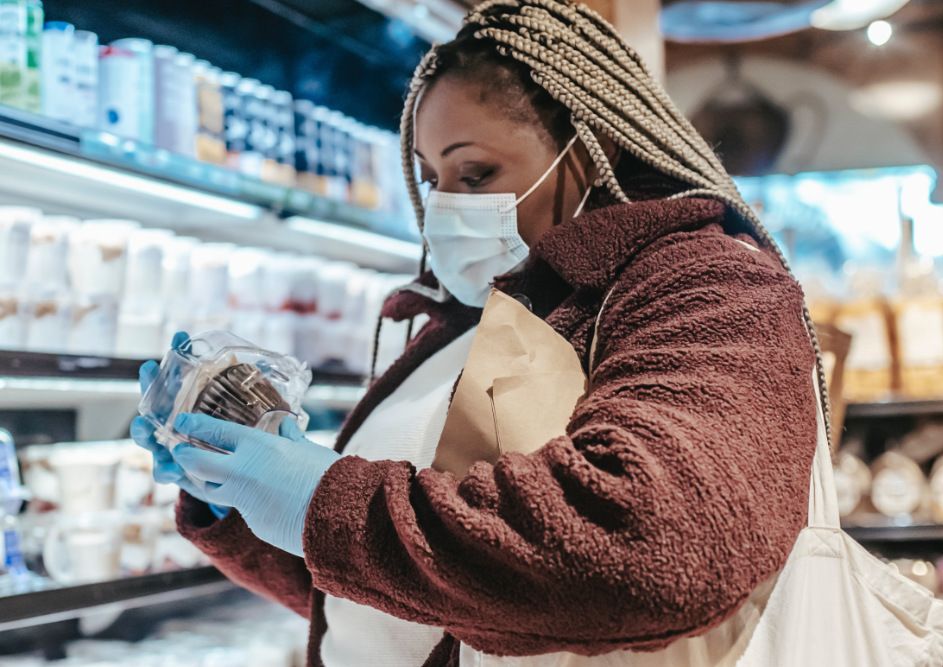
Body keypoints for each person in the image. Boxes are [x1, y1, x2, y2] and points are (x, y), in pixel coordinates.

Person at [130, 1, 827, 665]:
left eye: (476, 172)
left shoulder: (706, 286)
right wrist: (244, 500)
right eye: (433, 178)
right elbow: (407, 599)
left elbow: (656, 543)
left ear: (589, 146)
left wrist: (322, 502)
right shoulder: (456, 324)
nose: (444, 207)